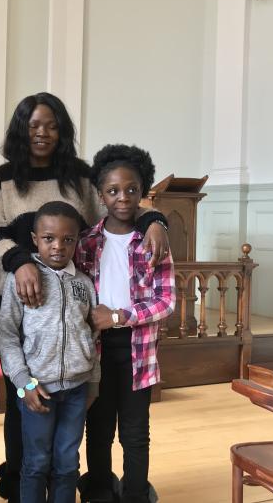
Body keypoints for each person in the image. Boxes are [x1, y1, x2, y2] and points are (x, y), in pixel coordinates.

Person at [0, 93, 170, 501]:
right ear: (21, 129)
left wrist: (156, 218)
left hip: (76, 303)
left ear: (62, 130)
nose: (42, 132)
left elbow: (118, 210)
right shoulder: (4, 178)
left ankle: (70, 485)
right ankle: (23, 484)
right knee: (23, 408)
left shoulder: (81, 177)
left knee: (75, 423)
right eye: (33, 125)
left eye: (51, 124)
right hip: (21, 294)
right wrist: (19, 263)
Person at [74, 144, 176, 503]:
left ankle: (135, 493)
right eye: (113, 190)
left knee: (135, 432)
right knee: (98, 428)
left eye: (131, 190)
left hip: (138, 351)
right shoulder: (86, 242)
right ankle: (99, 488)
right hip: (95, 350)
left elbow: (166, 301)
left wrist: (119, 316)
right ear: (100, 194)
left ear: (143, 191)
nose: (122, 198)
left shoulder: (153, 240)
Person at [0, 201, 100, 503]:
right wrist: (23, 382)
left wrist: (93, 381)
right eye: (48, 238)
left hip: (78, 390)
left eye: (68, 239)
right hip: (36, 390)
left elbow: (93, 337)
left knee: (68, 464)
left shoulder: (84, 283)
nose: (58, 247)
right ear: (34, 239)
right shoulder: (21, 279)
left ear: (76, 241)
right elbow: (6, 334)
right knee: (36, 463)